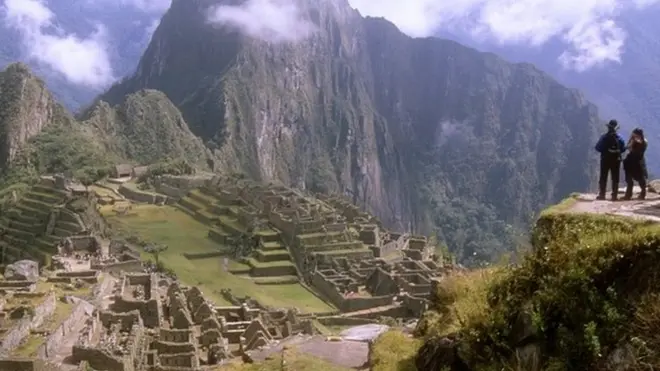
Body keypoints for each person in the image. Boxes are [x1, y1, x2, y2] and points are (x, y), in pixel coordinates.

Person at [594, 119, 626, 200]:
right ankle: (614, 195)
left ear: (608, 127)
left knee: (603, 177)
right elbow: (623, 149)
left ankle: (602, 195)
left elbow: (597, 148)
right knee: (615, 178)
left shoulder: (604, 137)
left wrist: (605, 150)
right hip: (616, 160)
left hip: (605, 159)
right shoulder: (620, 138)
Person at [623, 127, 648, 200]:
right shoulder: (645, 141)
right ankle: (643, 193)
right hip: (639, 160)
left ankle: (628, 195)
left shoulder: (636, 141)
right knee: (640, 178)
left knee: (631, 178)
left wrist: (632, 140)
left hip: (633, 160)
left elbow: (628, 147)